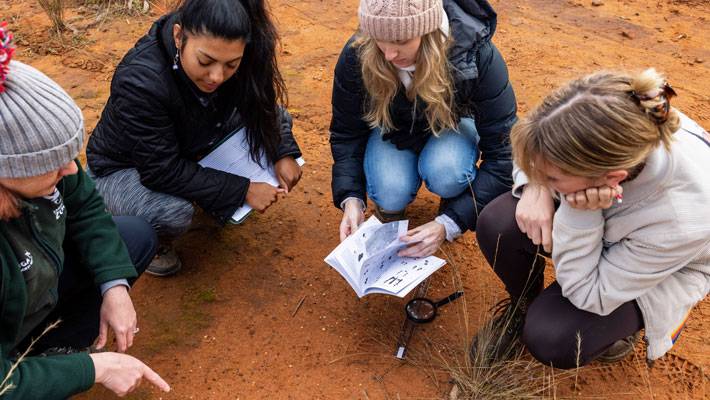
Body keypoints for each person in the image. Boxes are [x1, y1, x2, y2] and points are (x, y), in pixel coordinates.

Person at [471, 68, 710, 368]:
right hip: (603, 209)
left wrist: (581, 211)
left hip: (663, 269)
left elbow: (588, 293)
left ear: (611, 179)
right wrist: (535, 185)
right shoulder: (592, 113)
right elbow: (534, 144)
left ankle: (620, 332)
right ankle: (522, 304)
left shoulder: (685, 219)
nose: (541, 176)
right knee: (499, 223)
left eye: (552, 176)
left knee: (554, 336)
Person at [0, 40, 170, 399]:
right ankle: (26, 371)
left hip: (30, 287)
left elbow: (88, 208)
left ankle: (46, 355)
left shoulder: (44, 165)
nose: (71, 168)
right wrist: (96, 368)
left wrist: (114, 286)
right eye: (53, 164)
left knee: (133, 237)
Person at [86, 0, 303, 276]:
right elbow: (160, 170)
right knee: (172, 213)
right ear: (179, 37)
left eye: (231, 65)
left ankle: (206, 185)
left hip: (193, 140)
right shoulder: (140, 81)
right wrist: (242, 190)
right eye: (205, 62)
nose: (217, 77)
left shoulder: (232, 51)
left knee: (277, 117)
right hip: (123, 168)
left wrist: (282, 151)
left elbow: (261, 106)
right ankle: (143, 234)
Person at [329, 0, 517, 257]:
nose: (388, 54)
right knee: (389, 191)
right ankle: (391, 210)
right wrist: (351, 198)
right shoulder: (360, 50)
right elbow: (347, 132)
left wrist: (448, 224)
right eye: (379, 39)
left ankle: (451, 200)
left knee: (447, 171)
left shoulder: (475, 54)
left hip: (452, 125)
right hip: (394, 130)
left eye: (401, 41)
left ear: (427, 30)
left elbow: (505, 154)